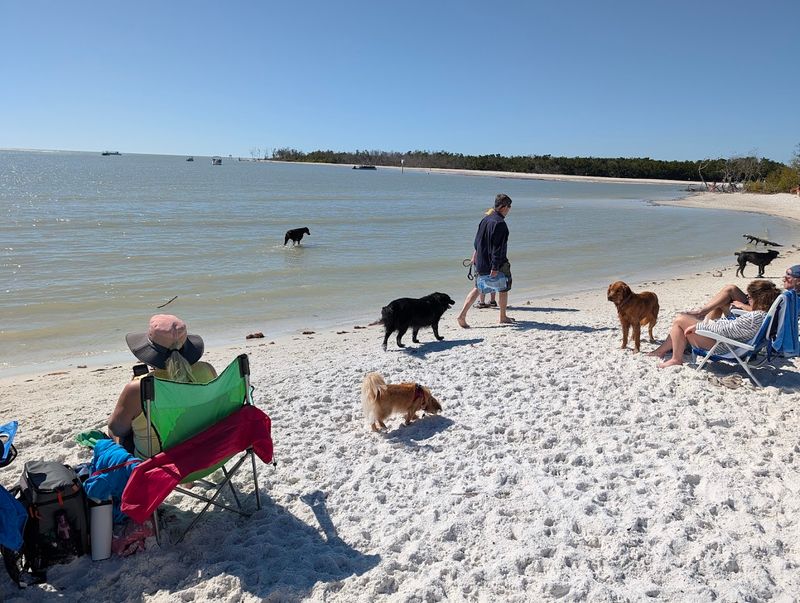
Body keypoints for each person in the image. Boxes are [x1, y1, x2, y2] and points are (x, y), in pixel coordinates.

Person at [107, 314, 217, 457]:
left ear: (151, 351)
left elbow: (117, 428)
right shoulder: (207, 370)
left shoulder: (138, 388)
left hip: (160, 465)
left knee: (113, 430)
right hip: (205, 454)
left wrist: (133, 392)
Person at [649, 280, 780, 368]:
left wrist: (699, 326)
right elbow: (732, 328)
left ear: (759, 299)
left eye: (749, 297)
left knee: (680, 320)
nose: (747, 299)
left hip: (724, 346)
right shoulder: (763, 315)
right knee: (684, 320)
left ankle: (676, 359)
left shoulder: (754, 317)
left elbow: (728, 330)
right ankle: (662, 350)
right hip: (732, 342)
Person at [456, 193, 514, 327]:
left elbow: (477, 242)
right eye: (509, 206)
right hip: (497, 263)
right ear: (503, 207)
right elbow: (497, 248)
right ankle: (502, 316)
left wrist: (475, 256)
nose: (509, 209)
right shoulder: (500, 224)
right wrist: (494, 267)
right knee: (504, 287)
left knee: (478, 288)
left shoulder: (485, 220)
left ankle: (462, 315)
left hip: (481, 261)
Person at [683, 264, 800, 320]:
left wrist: (743, 305)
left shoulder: (793, 298)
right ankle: (703, 317)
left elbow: (766, 314)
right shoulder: (791, 294)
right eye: (785, 274)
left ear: (799, 281)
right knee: (730, 290)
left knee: (724, 300)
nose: (784, 278)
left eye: (789, 276)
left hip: (756, 318)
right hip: (758, 309)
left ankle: (703, 321)